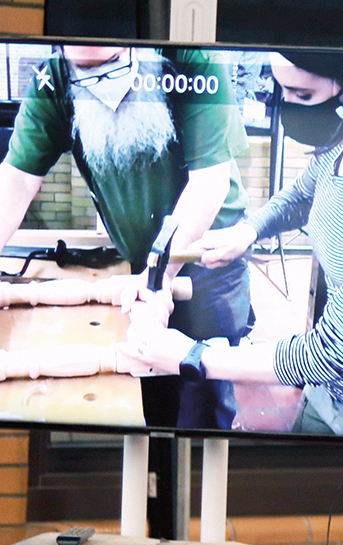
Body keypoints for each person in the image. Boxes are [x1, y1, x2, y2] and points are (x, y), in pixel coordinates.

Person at [128, 51, 343, 439]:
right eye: (281, 91)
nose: (286, 107)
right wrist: (247, 231)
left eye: (301, 95)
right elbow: (302, 195)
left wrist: (193, 357)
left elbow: (338, 349)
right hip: (331, 388)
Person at [0, 43, 252, 429]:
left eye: (113, 62)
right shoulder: (54, 80)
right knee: (147, 398)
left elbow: (209, 183)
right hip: (137, 263)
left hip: (209, 259)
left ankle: (201, 481)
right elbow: (14, 182)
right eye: (84, 66)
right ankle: (154, 480)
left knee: (204, 401)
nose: (101, 80)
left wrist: (159, 277)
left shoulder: (190, 59)